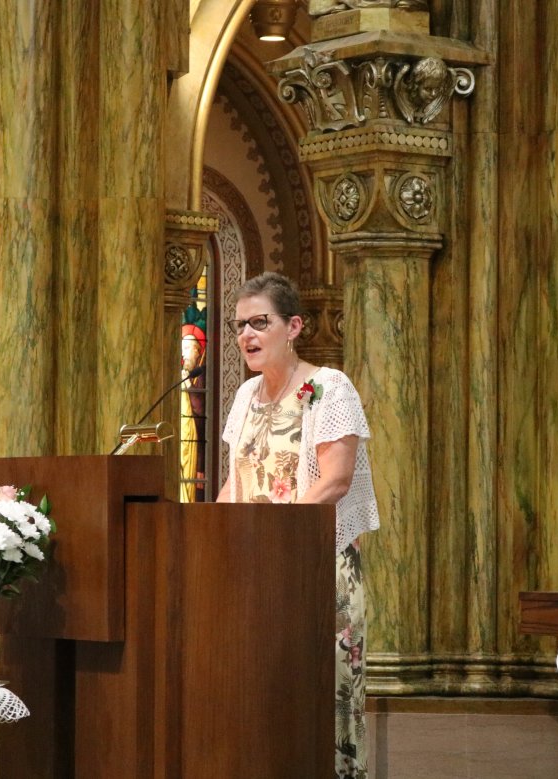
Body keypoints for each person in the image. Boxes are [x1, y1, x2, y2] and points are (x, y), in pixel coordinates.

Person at [217, 271, 380, 779]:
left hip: (316, 570)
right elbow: (235, 483)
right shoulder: (245, 396)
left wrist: (281, 543)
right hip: (254, 572)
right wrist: (208, 536)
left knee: (321, 699)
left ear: (294, 326)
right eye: (240, 325)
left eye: (259, 322)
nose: (247, 335)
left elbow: (334, 480)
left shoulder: (329, 388)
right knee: (261, 695)